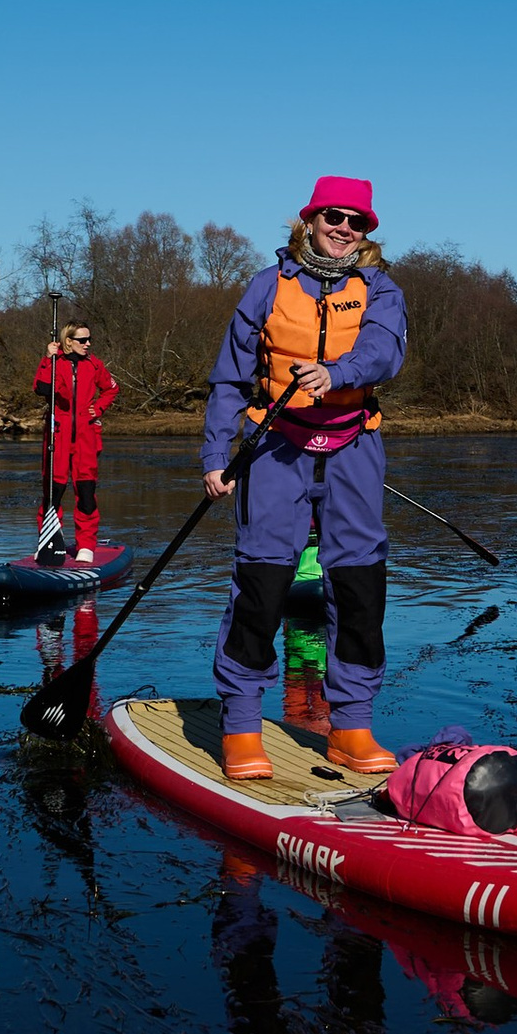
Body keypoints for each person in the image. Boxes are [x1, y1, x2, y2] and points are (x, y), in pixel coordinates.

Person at [200, 180, 407, 784]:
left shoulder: (382, 289)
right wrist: (216, 454)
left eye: (357, 222)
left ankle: (352, 727)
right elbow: (229, 380)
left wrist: (338, 372)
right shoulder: (266, 287)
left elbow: (384, 352)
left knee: (361, 584)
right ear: (310, 219)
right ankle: (241, 725)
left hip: (355, 445)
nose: (344, 229)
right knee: (262, 580)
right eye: (334, 217)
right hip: (274, 446)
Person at [32, 318, 118, 566]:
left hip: (86, 438)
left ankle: (86, 545)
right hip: (57, 435)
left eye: (89, 339)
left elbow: (112, 388)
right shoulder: (54, 363)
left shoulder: (94, 364)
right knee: (53, 493)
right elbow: (42, 388)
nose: (88, 344)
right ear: (68, 341)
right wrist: (49, 358)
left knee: (87, 493)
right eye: (82, 340)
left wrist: (98, 409)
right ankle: (47, 541)